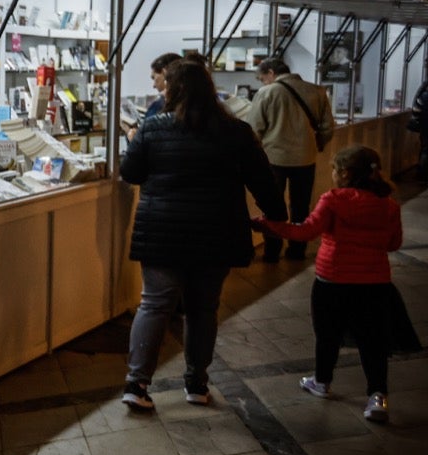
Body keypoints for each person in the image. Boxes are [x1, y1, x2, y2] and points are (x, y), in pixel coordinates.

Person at [120, 59, 286, 412]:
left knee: (154, 304)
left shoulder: (153, 128)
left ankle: (137, 384)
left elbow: (131, 173)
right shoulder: (237, 131)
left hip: (162, 232)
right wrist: (277, 218)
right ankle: (196, 383)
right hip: (216, 232)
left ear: (173, 90)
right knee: (202, 309)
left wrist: (135, 140)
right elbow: (263, 180)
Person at [253, 145, 402, 423]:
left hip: (332, 279)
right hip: (375, 282)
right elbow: (394, 243)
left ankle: (322, 382)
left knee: (327, 334)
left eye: (334, 169)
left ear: (344, 173)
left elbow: (305, 232)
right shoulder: (389, 205)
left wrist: (268, 225)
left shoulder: (333, 200)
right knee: (373, 341)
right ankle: (378, 397)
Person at [244, 57, 336, 262]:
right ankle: (297, 250)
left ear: (270, 72)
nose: (263, 82)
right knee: (301, 206)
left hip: (273, 158)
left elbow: (254, 129)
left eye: (262, 78)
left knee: (272, 206)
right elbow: (328, 127)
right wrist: (316, 145)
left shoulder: (267, 93)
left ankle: (272, 251)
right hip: (306, 158)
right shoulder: (317, 91)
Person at [124, 52, 182, 140]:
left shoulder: (159, 106)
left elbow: (146, 143)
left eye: (154, 78)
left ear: (164, 73)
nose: (153, 86)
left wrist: (132, 137)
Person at [410, 77, 428, 181]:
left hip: (425, 127)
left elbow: (416, 111)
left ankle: (422, 175)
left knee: (425, 150)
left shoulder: (423, 96)